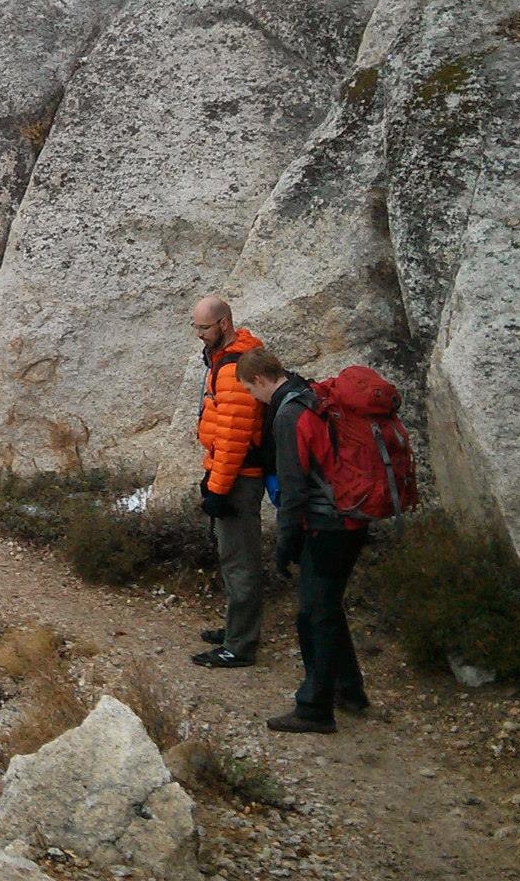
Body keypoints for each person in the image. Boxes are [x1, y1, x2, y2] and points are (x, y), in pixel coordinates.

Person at [239, 347, 370, 733]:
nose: (252, 397)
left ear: (261, 380)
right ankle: (350, 691)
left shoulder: (288, 413)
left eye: (249, 389)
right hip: (350, 518)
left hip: (327, 525)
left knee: (313, 615)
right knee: (326, 608)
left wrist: (284, 545)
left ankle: (315, 707)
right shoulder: (308, 392)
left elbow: (294, 490)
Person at [189, 294, 266, 669]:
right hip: (230, 472)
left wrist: (217, 490)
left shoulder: (233, 368)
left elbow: (234, 436)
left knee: (240, 560)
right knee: (233, 556)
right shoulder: (228, 358)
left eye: (204, 327)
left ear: (223, 324)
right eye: (196, 327)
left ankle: (240, 645)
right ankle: (237, 629)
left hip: (238, 478)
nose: (199, 334)